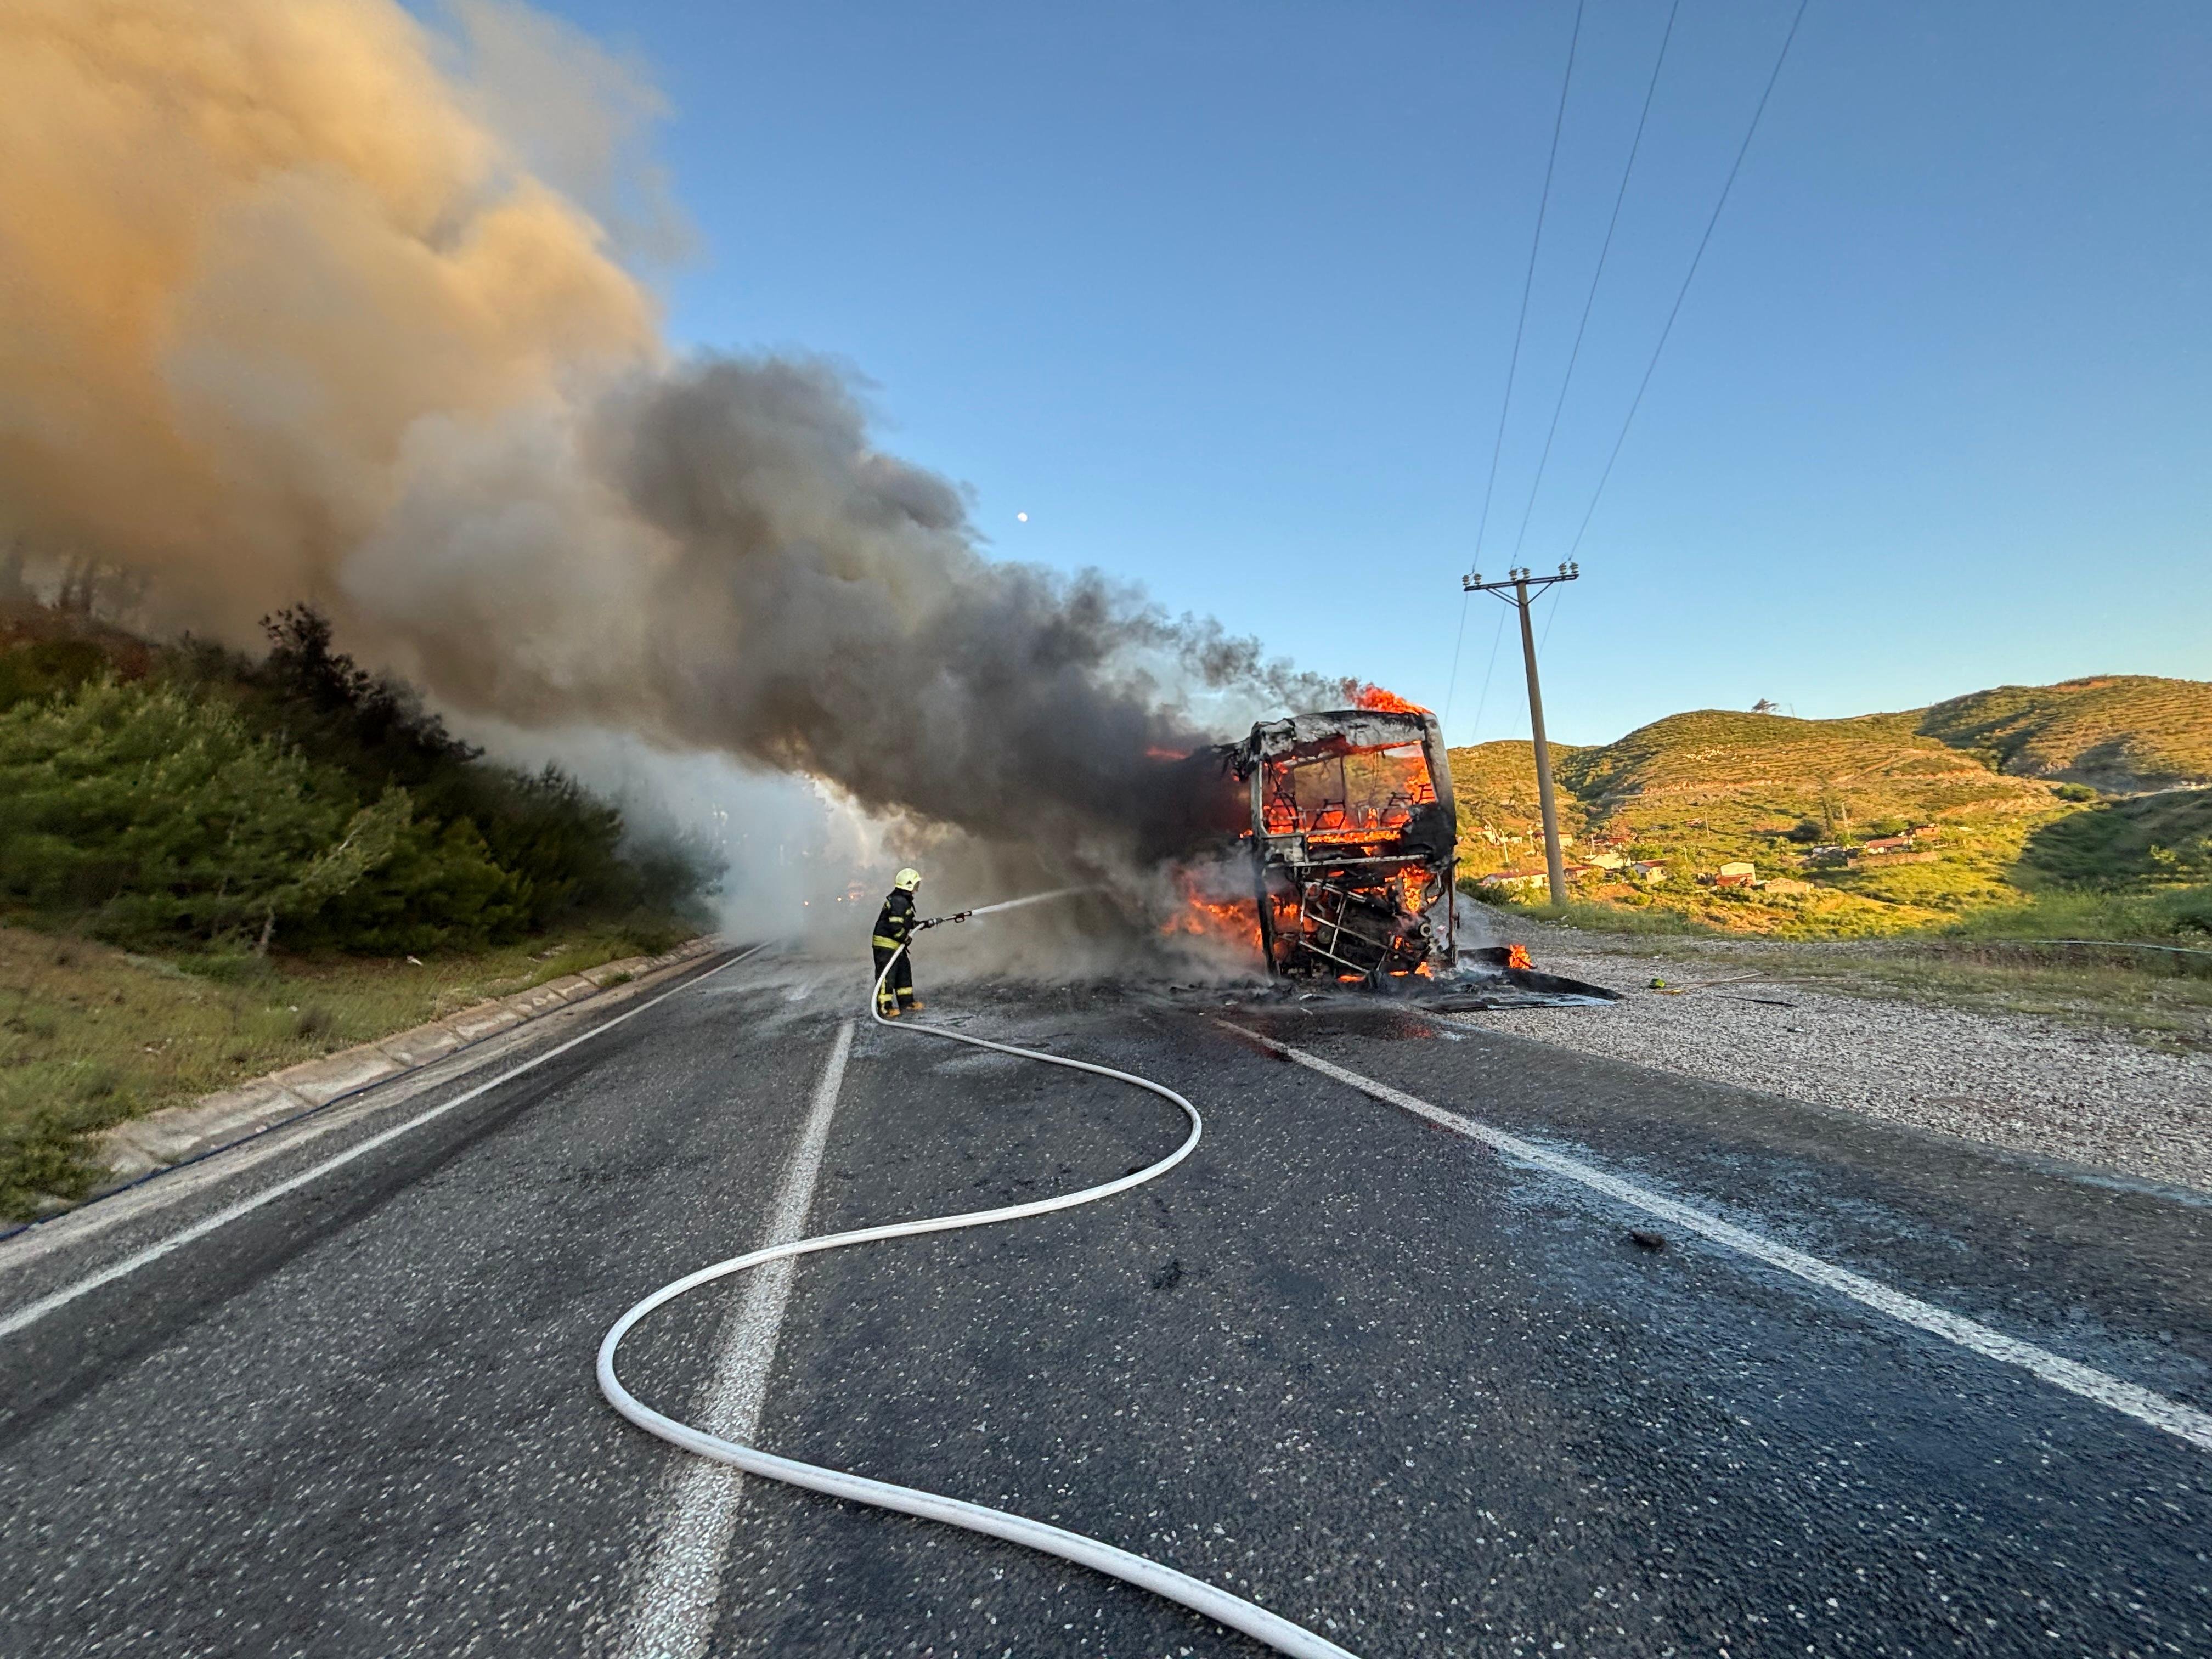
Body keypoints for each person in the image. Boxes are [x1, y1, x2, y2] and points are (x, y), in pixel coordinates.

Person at [871, 868, 924, 1017]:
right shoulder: (899, 901)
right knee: (887, 977)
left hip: (896, 946)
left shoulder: (901, 900)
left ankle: (907, 1003)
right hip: (886, 946)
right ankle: (884, 1008)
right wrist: (905, 938)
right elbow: (895, 926)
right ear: (909, 885)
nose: (917, 889)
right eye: (916, 885)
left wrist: (918, 924)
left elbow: (903, 921)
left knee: (903, 973)